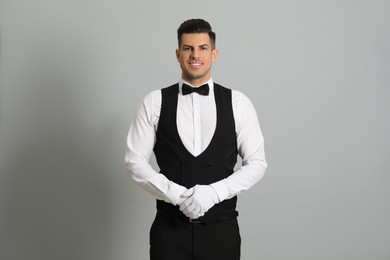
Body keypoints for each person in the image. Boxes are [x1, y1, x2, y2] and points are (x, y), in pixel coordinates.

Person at [124, 18, 267, 260]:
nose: (195, 55)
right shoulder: (153, 102)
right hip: (169, 232)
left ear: (214, 54)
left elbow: (257, 163)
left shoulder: (239, 103)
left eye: (202, 48)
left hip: (222, 233)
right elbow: (134, 162)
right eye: (188, 48)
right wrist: (179, 197)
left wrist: (213, 193)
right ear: (178, 54)